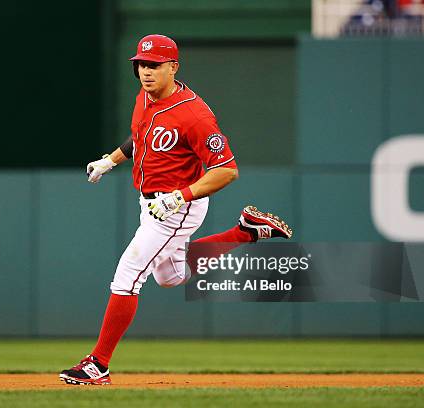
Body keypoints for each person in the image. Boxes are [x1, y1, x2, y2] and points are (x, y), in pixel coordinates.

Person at [59, 34, 292, 386]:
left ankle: (97, 364)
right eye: (141, 65)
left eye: (154, 65)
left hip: (177, 204)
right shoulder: (145, 98)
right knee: (170, 277)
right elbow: (139, 139)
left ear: (173, 67)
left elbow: (227, 170)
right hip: (152, 201)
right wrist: (110, 161)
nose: (146, 72)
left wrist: (181, 197)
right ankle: (246, 230)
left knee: (128, 273)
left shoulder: (194, 115)